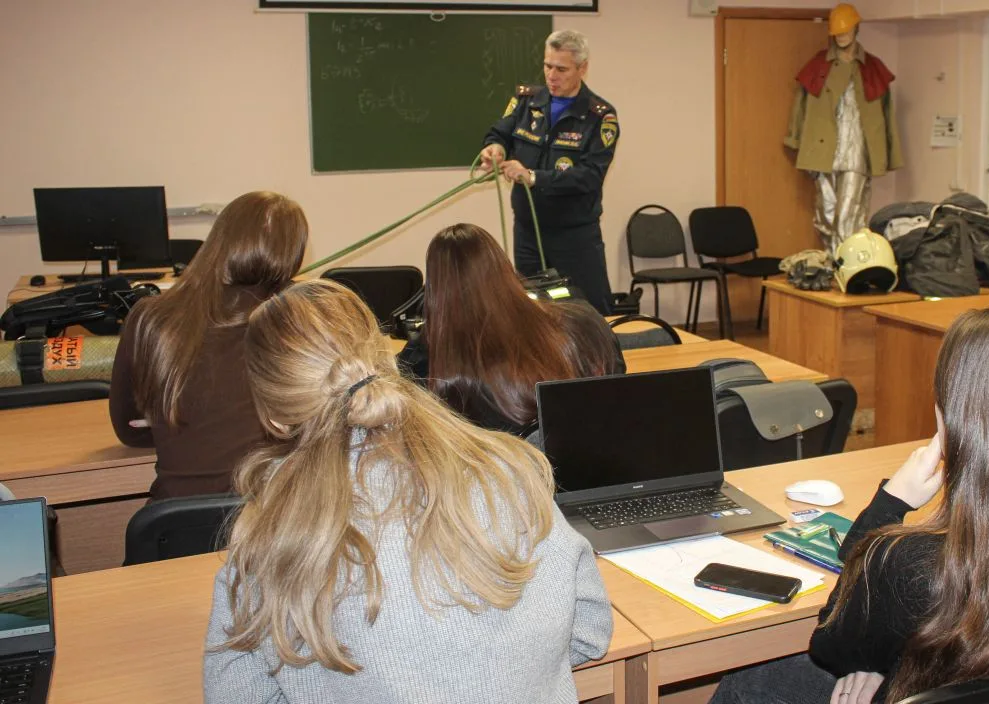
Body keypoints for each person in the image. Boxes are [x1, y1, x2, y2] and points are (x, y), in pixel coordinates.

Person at [710, 303, 989, 704]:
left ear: (952, 420)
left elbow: (832, 644)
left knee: (749, 683)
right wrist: (889, 664)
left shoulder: (908, 564)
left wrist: (891, 503)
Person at [203, 279, 613, 703]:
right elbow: (589, 631)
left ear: (274, 416)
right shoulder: (510, 470)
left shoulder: (270, 538)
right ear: (386, 361)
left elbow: (235, 694)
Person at [109, 191, 307, 500]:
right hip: (271, 514)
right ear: (293, 255)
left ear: (218, 239)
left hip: (175, 518)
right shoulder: (300, 319)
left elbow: (130, 430)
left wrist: (178, 424)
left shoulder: (149, 317)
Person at [398, 223, 624, 436]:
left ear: (435, 293)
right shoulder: (584, 321)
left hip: (497, 464)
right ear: (504, 268)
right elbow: (617, 395)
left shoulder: (422, 362)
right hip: (584, 456)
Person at [479, 29, 618, 314]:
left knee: (589, 313)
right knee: (533, 313)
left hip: (574, 235)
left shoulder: (600, 116)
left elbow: (590, 176)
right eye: (547, 66)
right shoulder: (526, 101)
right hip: (528, 232)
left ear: (582, 68)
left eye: (561, 69)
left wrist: (533, 177)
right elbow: (500, 132)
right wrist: (495, 149)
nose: (551, 76)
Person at [786, 3, 902, 254]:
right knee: (825, 214)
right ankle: (833, 260)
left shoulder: (871, 67)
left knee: (848, 214)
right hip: (823, 150)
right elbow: (800, 107)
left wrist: (890, 152)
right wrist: (795, 140)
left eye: (846, 31)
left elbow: (886, 115)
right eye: (837, 32)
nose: (841, 37)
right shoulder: (818, 66)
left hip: (858, 149)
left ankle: (845, 264)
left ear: (856, 29)